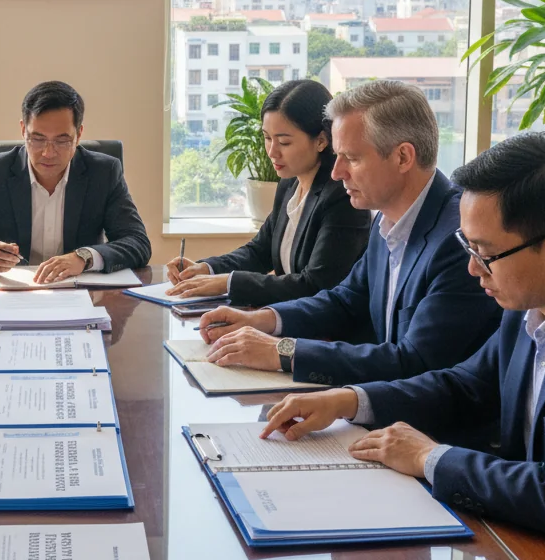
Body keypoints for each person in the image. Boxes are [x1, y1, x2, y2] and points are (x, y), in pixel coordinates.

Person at [258, 131, 545, 560]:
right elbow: (466, 385)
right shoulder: (534, 292)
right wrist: (350, 400)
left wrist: (427, 457)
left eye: (484, 252)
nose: (473, 268)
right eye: (466, 245)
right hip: (527, 535)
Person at [199, 80, 500, 388]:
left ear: (403, 157)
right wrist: (261, 319)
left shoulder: (459, 240)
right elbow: (345, 300)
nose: (336, 172)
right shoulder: (388, 218)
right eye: (338, 155)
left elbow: (414, 361)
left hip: (429, 427)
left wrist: (284, 351)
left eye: (352, 158)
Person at [164, 79, 369, 305]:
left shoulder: (342, 196)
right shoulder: (289, 184)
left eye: (284, 142)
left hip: (328, 332)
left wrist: (228, 283)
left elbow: (316, 284)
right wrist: (206, 269)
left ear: (321, 140)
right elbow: (260, 250)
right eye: (267, 138)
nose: (272, 152)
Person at [0, 80, 151, 282]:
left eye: (62, 140)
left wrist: (84, 258)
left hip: (83, 295)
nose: (48, 153)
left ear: (78, 134)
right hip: (14, 294)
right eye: (38, 139)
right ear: (23, 130)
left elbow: (137, 242)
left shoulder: (104, 173)